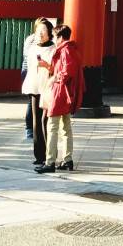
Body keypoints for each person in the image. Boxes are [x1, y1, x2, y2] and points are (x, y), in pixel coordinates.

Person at [35, 24, 83, 174]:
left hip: (60, 92)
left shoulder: (65, 50)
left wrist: (55, 78)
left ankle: (50, 161)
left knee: (53, 126)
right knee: (65, 127)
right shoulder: (71, 49)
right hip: (66, 92)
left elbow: (66, 72)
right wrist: (48, 67)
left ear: (60, 37)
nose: (54, 40)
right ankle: (67, 159)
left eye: (55, 37)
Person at [22, 18, 55, 166]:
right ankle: (39, 155)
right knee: (36, 121)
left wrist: (47, 66)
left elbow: (55, 70)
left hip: (48, 88)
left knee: (46, 121)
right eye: (38, 31)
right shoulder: (32, 48)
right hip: (35, 86)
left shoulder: (54, 49)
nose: (40, 34)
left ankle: (49, 154)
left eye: (43, 31)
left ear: (49, 33)